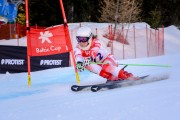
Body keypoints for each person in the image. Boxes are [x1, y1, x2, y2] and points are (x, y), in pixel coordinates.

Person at [74, 26, 138, 82]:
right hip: (99, 64)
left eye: (84, 39)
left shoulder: (95, 42)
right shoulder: (78, 48)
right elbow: (78, 56)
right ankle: (111, 77)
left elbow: (94, 51)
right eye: (79, 39)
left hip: (108, 60)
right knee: (87, 65)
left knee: (106, 67)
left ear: (90, 38)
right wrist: (79, 64)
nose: (81, 42)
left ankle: (127, 76)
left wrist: (90, 58)